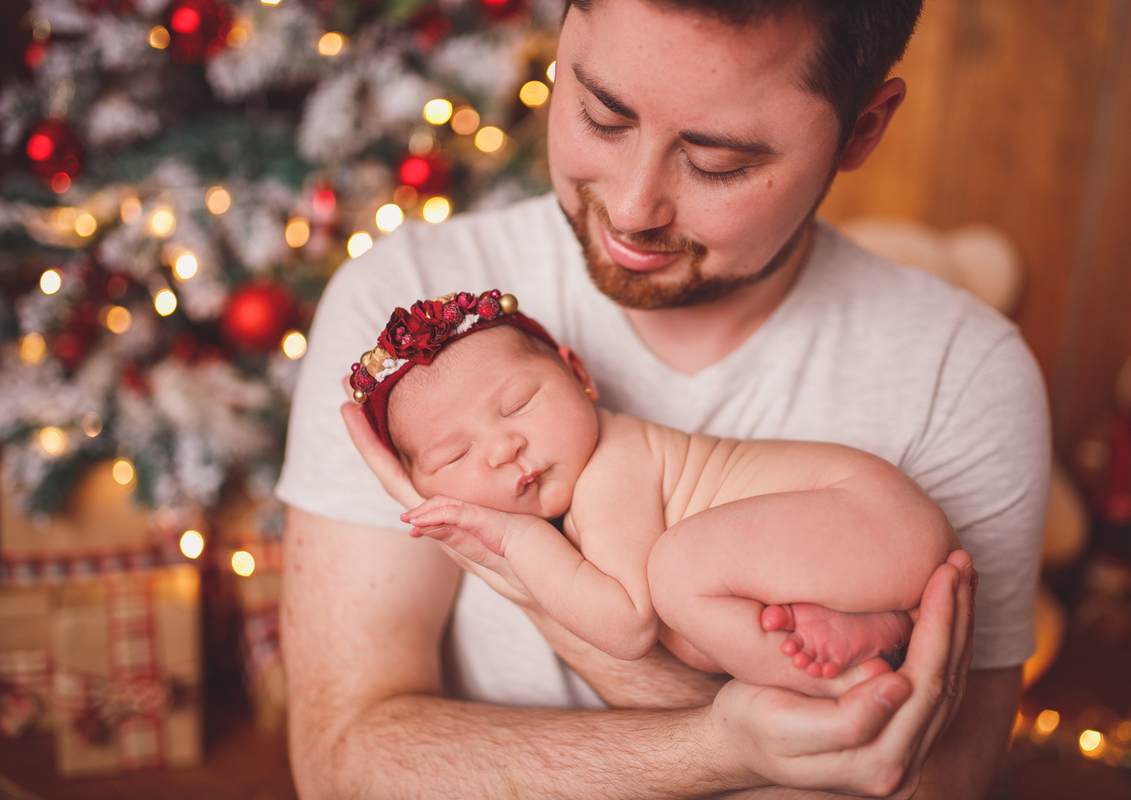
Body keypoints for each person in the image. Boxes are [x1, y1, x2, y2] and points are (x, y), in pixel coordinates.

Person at [277, 0, 1050, 797]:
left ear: (861, 130)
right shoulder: (411, 328)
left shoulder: (963, 374)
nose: (632, 208)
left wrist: (505, 556)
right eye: (601, 116)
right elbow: (346, 765)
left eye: (718, 163)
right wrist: (717, 745)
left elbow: (919, 783)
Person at [352, 293, 956, 684]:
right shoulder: (589, 491)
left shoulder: (614, 466)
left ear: (579, 375)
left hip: (872, 510)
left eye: (520, 404)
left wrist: (508, 539)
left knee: (676, 573)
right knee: (696, 637)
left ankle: (840, 700)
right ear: (420, 485)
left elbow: (627, 626)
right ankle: (878, 630)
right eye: (455, 454)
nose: (502, 447)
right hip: (867, 546)